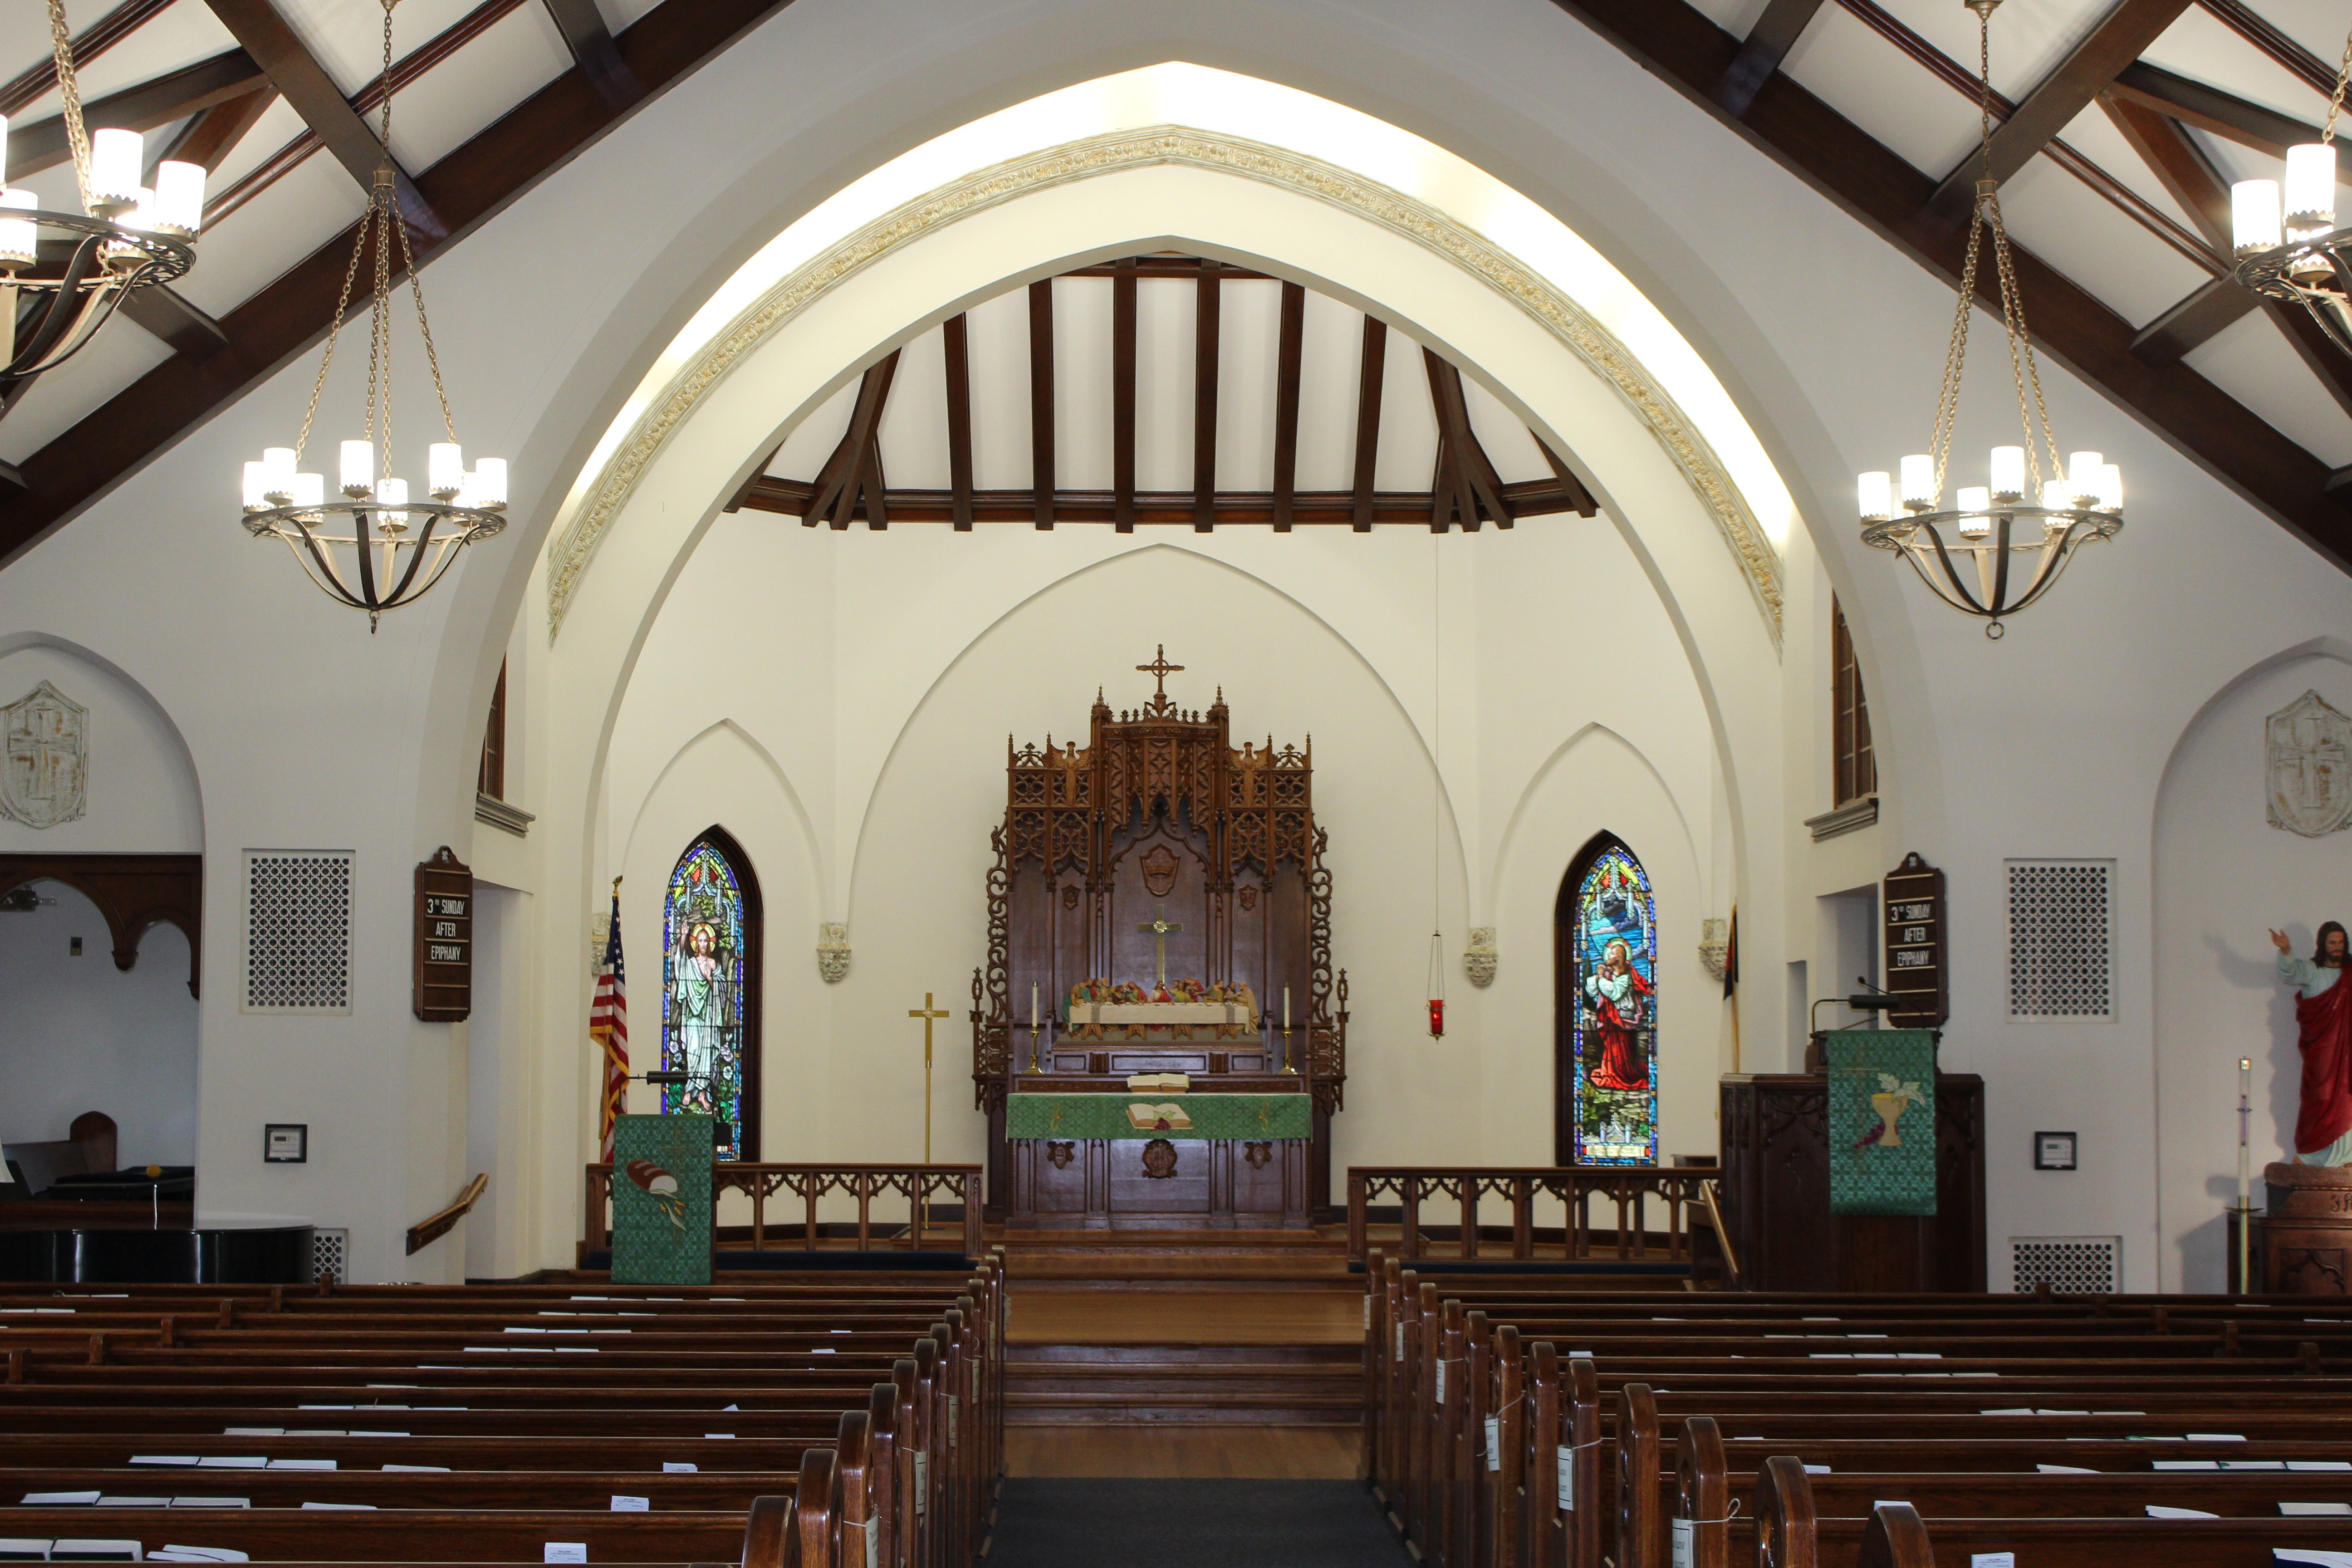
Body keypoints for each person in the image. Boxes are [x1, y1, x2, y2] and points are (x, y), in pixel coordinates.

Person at [2269, 921, 2352, 1167]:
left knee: (2348, 1097)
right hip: (2323, 1048)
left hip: (2349, 1050)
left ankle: (2348, 1156)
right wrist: (2286, 951)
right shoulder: (2312, 971)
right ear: (2323, 945)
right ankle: (2313, 1154)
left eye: (2341, 943)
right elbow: (2290, 973)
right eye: (2333, 943)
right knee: (2321, 1095)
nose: (2338, 947)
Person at [1583, 936, 1654, 1092]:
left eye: (1611, 954)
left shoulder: (1627, 976)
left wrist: (1601, 978)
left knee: (1623, 1052)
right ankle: (1611, 1072)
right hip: (1612, 1020)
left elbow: (1614, 993)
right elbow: (1591, 990)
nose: (1608, 956)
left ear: (1619, 958)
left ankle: (1623, 1075)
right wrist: (1598, 977)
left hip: (1624, 1020)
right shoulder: (1609, 975)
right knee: (1611, 1049)